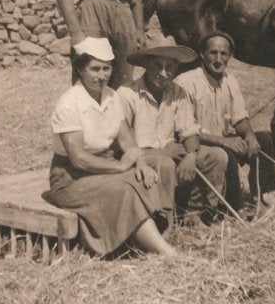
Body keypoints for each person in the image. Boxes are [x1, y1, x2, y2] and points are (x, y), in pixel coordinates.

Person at [43, 37, 176, 257]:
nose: (101, 76)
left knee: (149, 173)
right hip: (71, 178)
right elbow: (78, 159)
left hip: (102, 167)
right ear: (80, 69)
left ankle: (153, 238)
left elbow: (126, 139)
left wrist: (140, 162)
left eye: (106, 69)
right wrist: (120, 167)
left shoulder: (111, 96)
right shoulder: (70, 103)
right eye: (94, 69)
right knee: (124, 187)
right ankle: (165, 252)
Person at [117, 44, 229, 228]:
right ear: (146, 64)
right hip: (139, 158)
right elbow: (121, 142)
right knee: (166, 163)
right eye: (157, 66)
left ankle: (194, 214)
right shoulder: (127, 93)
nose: (163, 73)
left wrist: (191, 156)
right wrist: (161, 153)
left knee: (217, 156)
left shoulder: (176, 92)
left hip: (171, 154)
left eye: (169, 68)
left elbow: (189, 129)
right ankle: (163, 221)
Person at [175, 31, 275, 214]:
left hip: (220, 141)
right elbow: (185, 130)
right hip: (193, 146)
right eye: (213, 53)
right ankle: (235, 208)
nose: (218, 59)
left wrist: (250, 135)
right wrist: (224, 141)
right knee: (226, 152)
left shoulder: (230, 80)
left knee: (264, 140)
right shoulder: (186, 82)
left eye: (224, 54)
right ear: (202, 54)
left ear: (229, 56)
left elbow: (239, 117)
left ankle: (259, 197)